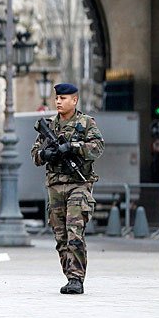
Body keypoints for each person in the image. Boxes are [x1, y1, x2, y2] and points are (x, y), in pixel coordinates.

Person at [31, 83, 104, 295]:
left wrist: (73, 147)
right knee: (61, 235)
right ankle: (69, 274)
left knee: (74, 231)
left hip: (78, 184)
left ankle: (76, 278)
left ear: (74, 100)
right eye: (57, 98)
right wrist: (46, 154)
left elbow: (97, 147)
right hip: (55, 186)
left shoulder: (86, 123)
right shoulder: (49, 126)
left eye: (63, 98)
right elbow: (35, 154)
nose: (58, 102)